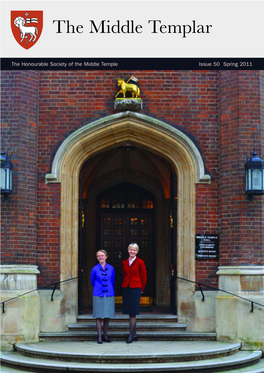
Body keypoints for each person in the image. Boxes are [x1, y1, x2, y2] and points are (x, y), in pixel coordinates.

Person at [122, 243, 147, 344]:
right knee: (129, 312)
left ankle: (130, 335)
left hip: (136, 288)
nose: (132, 251)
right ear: (128, 250)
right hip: (126, 288)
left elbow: (144, 276)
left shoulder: (140, 262)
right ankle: (134, 334)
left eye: (134, 250)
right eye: (131, 249)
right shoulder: (124, 262)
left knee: (133, 312)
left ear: (137, 252)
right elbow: (124, 275)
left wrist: (142, 289)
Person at [91, 250, 115, 344]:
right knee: (98, 315)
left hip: (109, 293)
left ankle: (105, 335)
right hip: (98, 294)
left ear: (106, 256)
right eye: (98, 256)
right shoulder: (95, 269)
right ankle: (99, 336)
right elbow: (92, 281)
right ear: (97, 258)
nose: (100, 257)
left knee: (107, 315)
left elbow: (113, 280)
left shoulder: (111, 268)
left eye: (102, 256)